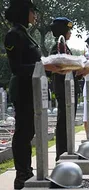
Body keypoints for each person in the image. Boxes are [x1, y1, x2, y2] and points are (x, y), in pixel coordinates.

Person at [4, 0, 40, 188]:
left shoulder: (25, 33)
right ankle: (22, 174)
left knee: (28, 131)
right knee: (23, 131)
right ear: (23, 12)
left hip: (31, 87)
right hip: (22, 88)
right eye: (32, 11)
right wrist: (42, 66)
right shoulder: (13, 35)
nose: (34, 15)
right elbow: (16, 67)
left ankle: (27, 169)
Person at [49, 17, 82, 161]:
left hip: (69, 89)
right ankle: (61, 153)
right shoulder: (57, 46)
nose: (70, 33)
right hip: (63, 90)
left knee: (68, 121)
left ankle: (67, 150)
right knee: (63, 123)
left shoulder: (64, 46)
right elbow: (58, 68)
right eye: (69, 30)